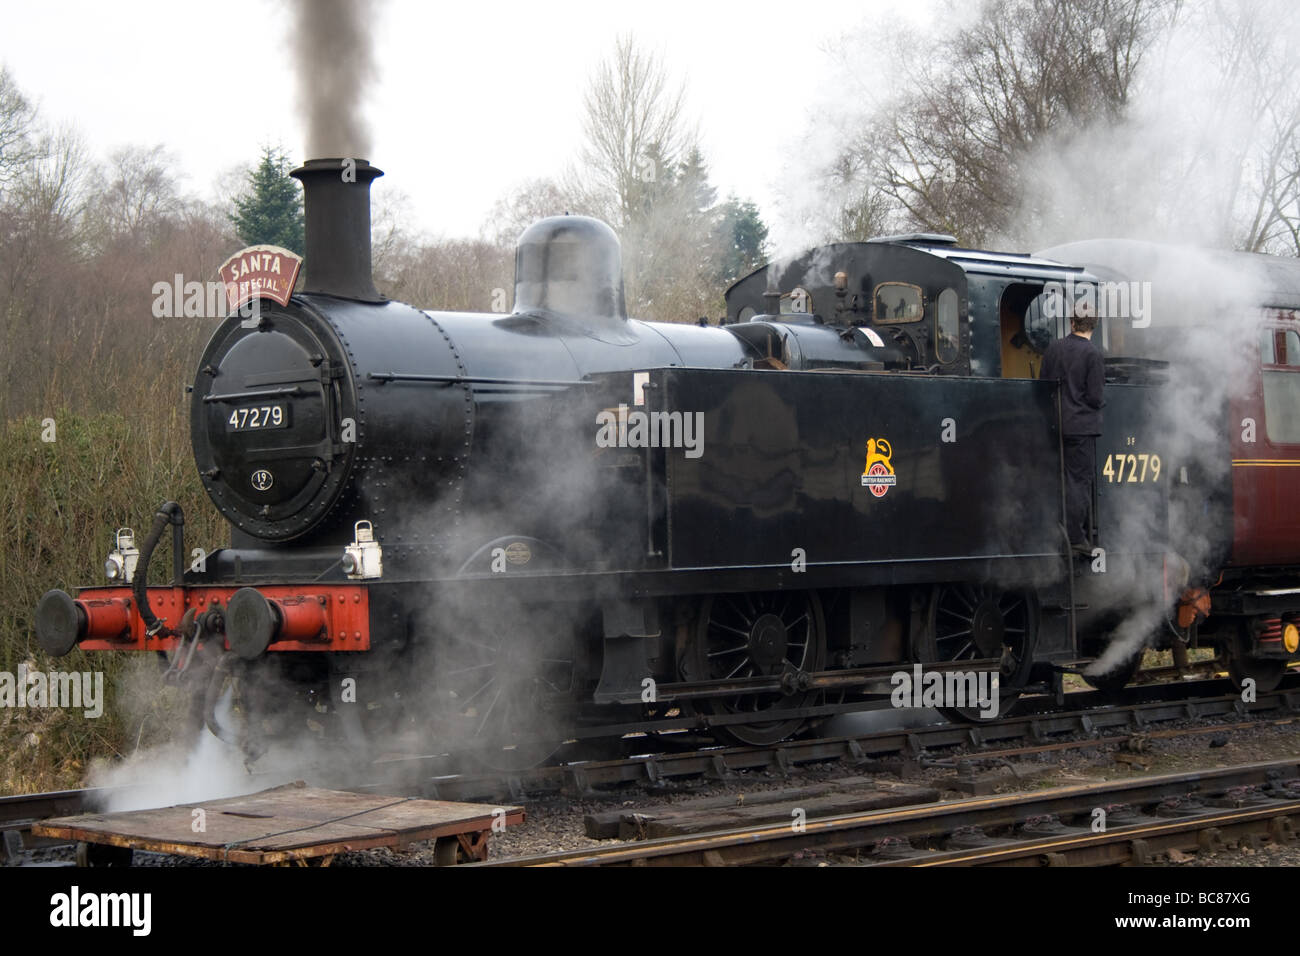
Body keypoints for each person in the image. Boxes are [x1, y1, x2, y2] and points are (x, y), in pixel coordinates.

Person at [1039, 303, 1105, 553]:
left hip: (1053, 425)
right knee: (1078, 481)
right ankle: (1076, 537)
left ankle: (1052, 528)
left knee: (1056, 478)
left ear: (1072, 323)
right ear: (1094, 326)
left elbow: (1043, 385)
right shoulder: (1093, 355)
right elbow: (1096, 397)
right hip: (1080, 428)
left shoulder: (1054, 348)